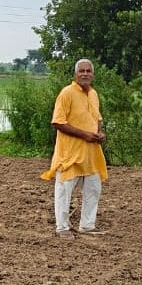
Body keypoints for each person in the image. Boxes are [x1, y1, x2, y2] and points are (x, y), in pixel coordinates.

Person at [41, 59, 108, 236]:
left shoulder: (93, 94)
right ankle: (62, 228)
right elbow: (58, 122)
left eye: (88, 71)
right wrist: (84, 134)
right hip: (69, 154)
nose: (85, 74)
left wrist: (99, 133)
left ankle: (87, 225)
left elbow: (97, 118)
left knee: (93, 189)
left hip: (91, 154)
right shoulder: (67, 93)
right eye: (82, 71)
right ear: (76, 74)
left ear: (93, 74)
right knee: (64, 191)